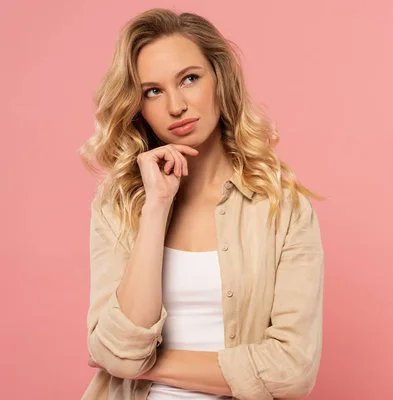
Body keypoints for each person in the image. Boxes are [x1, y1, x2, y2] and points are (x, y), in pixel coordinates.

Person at [78, 8, 324, 400]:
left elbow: (293, 371)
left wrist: (144, 364)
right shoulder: (118, 206)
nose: (176, 105)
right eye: (153, 91)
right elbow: (118, 348)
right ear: (137, 106)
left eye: (190, 79)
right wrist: (156, 208)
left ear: (219, 80)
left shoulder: (282, 208)